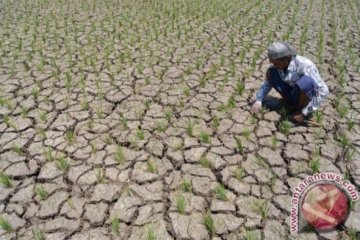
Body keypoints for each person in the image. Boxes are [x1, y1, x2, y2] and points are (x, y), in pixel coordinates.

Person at [251, 41, 329, 123]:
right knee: (271, 72)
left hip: (304, 98)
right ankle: (289, 105)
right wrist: (258, 101)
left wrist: (304, 113)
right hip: (291, 94)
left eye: (276, 63)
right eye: (272, 62)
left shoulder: (305, 65)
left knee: (306, 82)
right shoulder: (277, 66)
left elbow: (324, 90)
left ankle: (300, 112)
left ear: (287, 58)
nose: (274, 65)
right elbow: (267, 83)